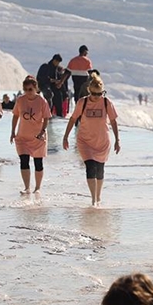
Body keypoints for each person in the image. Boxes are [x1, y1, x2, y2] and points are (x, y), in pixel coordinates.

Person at [63, 73, 120, 207]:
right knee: (90, 167)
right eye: (94, 94)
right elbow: (72, 119)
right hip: (85, 141)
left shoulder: (106, 102)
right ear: (89, 91)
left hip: (102, 141)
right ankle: (93, 199)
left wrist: (118, 140)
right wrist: (65, 137)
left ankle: (98, 195)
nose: (97, 97)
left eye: (100, 94)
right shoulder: (82, 102)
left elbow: (113, 121)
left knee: (100, 170)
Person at [10, 76, 52, 194]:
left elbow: (46, 117)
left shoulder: (42, 101)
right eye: (26, 89)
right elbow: (15, 115)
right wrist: (12, 131)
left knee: (38, 163)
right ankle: (27, 188)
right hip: (23, 136)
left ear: (35, 88)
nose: (28, 92)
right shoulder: (20, 100)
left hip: (38, 136)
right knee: (24, 160)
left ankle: (37, 188)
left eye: (30, 89)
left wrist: (43, 131)